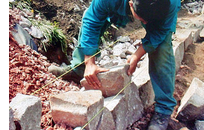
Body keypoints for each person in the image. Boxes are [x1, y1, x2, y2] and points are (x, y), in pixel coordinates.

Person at [49, 0, 181, 129]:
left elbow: (159, 33)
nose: (145, 24)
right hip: (117, 3)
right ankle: (81, 69)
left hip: (159, 13)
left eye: (147, 21)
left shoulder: (170, 3)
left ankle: (163, 110)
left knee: (162, 47)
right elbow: (92, 19)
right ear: (131, 4)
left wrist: (136, 55)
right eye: (142, 19)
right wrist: (89, 61)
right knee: (93, 20)